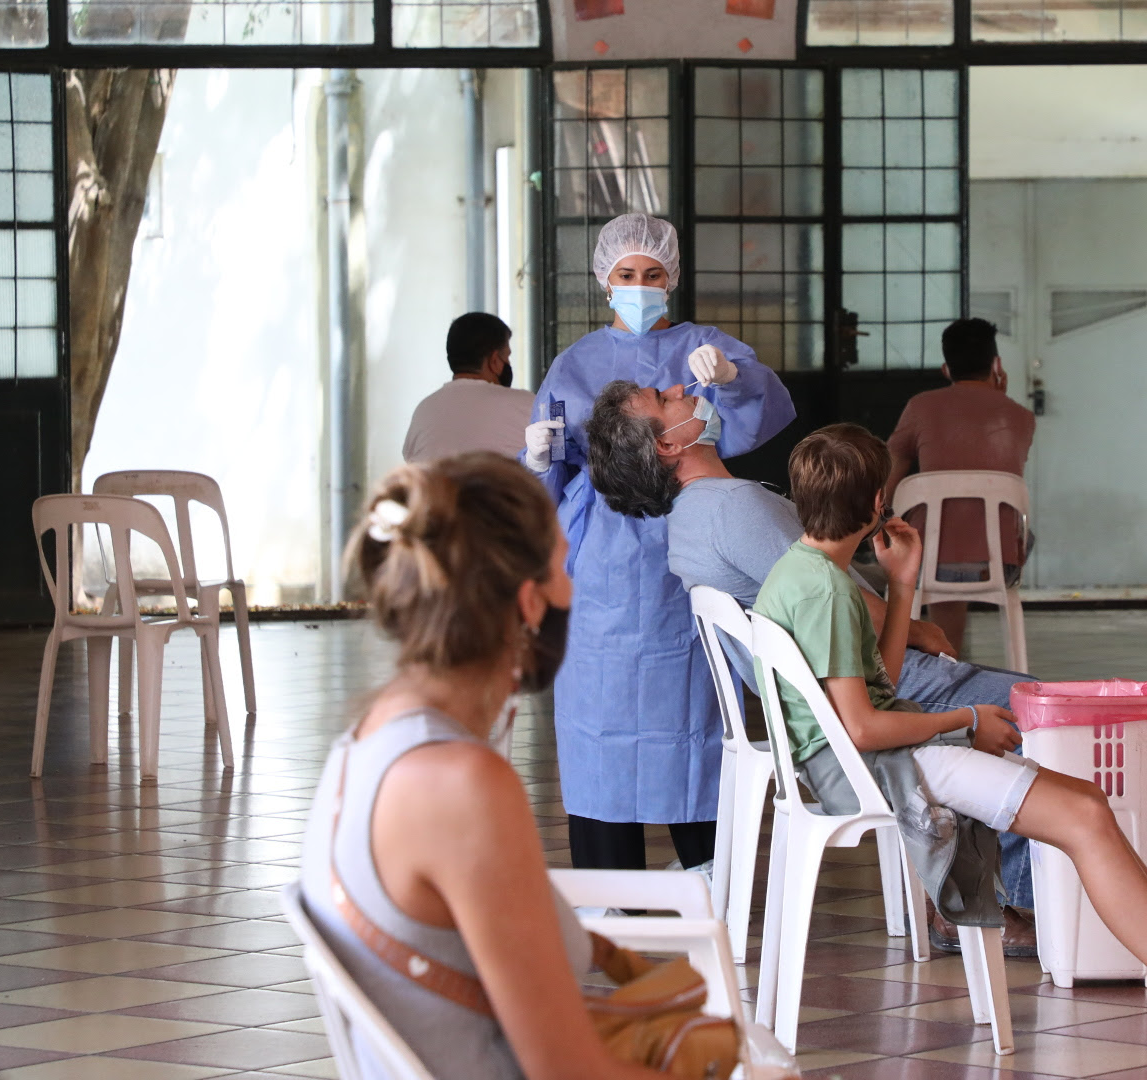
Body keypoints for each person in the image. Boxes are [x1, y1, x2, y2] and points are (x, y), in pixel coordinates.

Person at [753, 424, 1147, 1067]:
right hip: (873, 766)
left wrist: (902, 585)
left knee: (1088, 808)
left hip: (861, 759)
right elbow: (862, 727)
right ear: (876, 506)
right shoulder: (829, 592)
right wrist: (965, 719)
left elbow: (879, 688)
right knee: (1085, 814)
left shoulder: (803, 572)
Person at [583, 378, 1037, 957]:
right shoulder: (731, 509)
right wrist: (919, 628)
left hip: (837, 698)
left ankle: (979, 896)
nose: (679, 388)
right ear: (668, 445)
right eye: (664, 399)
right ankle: (1021, 906)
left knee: (1030, 703)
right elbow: (843, 602)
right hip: (868, 695)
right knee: (1044, 715)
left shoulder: (694, 516)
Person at [297, 454, 672, 1080]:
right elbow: (568, 1070)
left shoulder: (363, 744)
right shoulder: (462, 785)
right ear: (529, 603)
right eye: (562, 567)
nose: (572, 588)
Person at [521, 213, 796, 875]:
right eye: (627, 274)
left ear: (670, 278)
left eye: (652, 274)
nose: (640, 286)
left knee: (690, 715)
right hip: (601, 564)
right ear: (604, 280)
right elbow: (546, 474)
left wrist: (732, 377)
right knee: (599, 720)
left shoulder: (703, 347)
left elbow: (760, 409)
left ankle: (708, 877)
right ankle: (611, 890)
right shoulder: (574, 363)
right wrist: (535, 461)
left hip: (688, 540)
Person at [883, 318, 1037, 651]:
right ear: (996, 366)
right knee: (1001, 528)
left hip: (929, 564)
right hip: (999, 564)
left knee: (934, 535)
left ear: (946, 368)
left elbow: (888, 484)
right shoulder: (1021, 417)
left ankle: (947, 654)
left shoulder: (920, 407)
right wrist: (998, 398)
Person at [402, 313, 537, 462]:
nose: (508, 364)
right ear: (494, 361)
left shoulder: (424, 410)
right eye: (507, 356)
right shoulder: (527, 405)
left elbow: (410, 462)